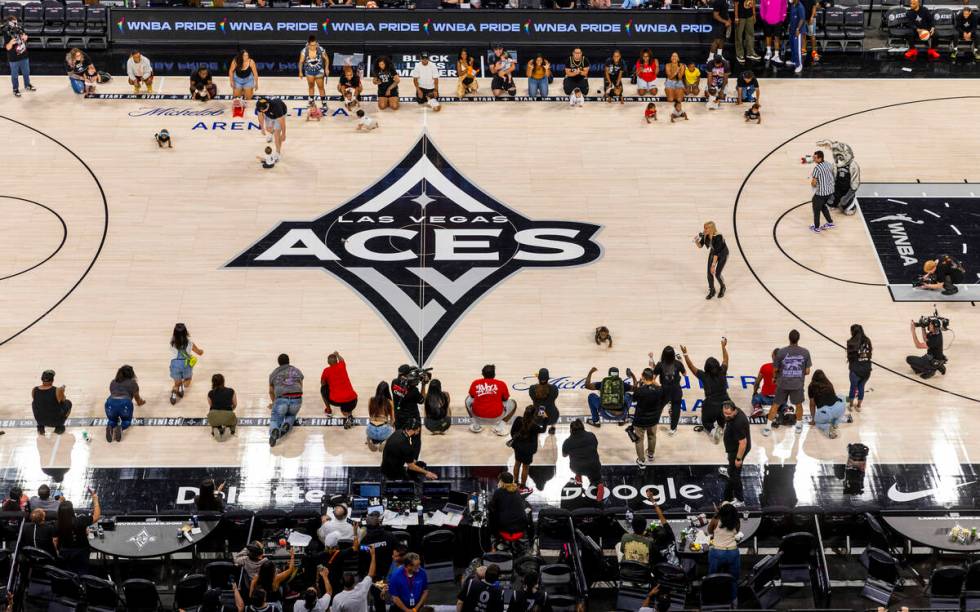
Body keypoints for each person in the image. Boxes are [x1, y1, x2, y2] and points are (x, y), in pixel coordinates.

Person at [680, 339, 731, 442]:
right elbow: (726, 359)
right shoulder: (722, 371)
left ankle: (712, 431)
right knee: (723, 416)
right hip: (726, 402)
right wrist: (723, 346)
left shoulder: (704, 376)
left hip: (711, 404)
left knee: (706, 421)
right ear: (717, 365)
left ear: (706, 367)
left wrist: (685, 354)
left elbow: (691, 367)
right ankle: (721, 426)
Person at [763, 330, 811, 436]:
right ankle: (798, 426)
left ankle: (767, 428)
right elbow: (807, 371)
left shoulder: (781, 352)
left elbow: (775, 369)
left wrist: (775, 378)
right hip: (797, 384)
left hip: (782, 384)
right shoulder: (805, 352)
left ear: (789, 338)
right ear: (798, 339)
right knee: (799, 405)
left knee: (775, 405)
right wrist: (797, 372)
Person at [466, 364, 517, 435]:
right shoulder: (501, 384)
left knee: (468, 399)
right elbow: (505, 399)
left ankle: (476, 426)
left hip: (478, 415)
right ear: (494, 374)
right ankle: (500, 428)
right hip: (496, 416)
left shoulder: (475, 383)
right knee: (513, 403)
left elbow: (472, 396)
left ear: (482, 374)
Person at [56, 492, 100, 572]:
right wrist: (95, 500)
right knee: (82, 571)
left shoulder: (57, 524)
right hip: (81, 552)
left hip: (65, 552)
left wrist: (62, 503)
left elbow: (55, 540)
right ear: (72, 510)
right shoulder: (80, 520)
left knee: (68, 571)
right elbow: (96, 516)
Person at [562, 419, 604, 499]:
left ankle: (578, 475)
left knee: (576, 460)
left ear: (571, 430)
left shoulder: (567, 442)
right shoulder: (591, 435)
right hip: (593, 466)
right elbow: (595, 446)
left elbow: (564, 455)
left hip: (576, 467)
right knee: (596, 478)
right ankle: (599, 485)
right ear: (583, 427)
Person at [707, 502, 741, 601]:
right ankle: (733, 602)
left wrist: (716, 515)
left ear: (721, 511)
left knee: (712, 579)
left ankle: (712, 600)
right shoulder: (736, 521)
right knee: (733, 580)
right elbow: (737, 531)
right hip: (733, 552)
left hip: (717, 553)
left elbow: (709, 531)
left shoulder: (716, 520)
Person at [268, 353, 303, 447]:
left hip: (281, 399)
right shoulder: (296, 370)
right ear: (289, 361)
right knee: (291, 414)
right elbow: (300, 385)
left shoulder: (273, 373)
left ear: (278, 363)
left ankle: (275, 430)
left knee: (275, 419)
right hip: (297, 398)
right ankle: (287, 424)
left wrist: (274, 402)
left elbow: (271, 391)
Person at [631, 368, 664, 466]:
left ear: (643, 377)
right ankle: (650, 455)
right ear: (653, 377)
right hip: (653, 419)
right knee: (652, 436)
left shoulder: (640, 391)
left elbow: (633, 399)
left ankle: (641, 460)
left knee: (639, 440)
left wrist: (639, 385)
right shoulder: (659, 390)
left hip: (640, 420)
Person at [105, 365, 145, 443]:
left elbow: (112, 393)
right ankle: (120, 428)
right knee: (126, 421)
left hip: (110, 402)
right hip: (125, 404)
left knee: (112, 419)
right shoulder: (133, 383)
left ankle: (110, 426)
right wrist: (141, 402)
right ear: (132, 374)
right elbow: (137, 399)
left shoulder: (113, 382)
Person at [720, 401, 751, 503]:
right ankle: (730, 470)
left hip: (738, 450)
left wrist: (739, 459)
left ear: (734, 411)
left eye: (728, 414)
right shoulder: (733, 414)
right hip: (733, 447)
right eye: (724, 413)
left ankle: (739, 499)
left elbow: (743, 443)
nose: (726, 416)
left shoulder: (738, 423)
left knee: (735, 475)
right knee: (731, 465)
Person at [487, 472, 530, 543]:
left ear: (501, 481)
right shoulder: (517, 491)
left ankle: (493, 538)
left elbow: (492, 508)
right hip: (520, 527)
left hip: (505, 529)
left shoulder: (498, 492)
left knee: (491, 515)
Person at [652, 346, 686, 436]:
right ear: (673, 355)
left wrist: (659, 386)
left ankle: (653, 424)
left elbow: (652, 379)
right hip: (676, 389)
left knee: (658, 408)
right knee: (676, 409)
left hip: (664, 390)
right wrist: (681, 362)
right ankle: (673, 428)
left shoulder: (660, 364)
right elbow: (685, 374)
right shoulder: (678, 363)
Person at [510, 406, 546, 492]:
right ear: (534, 415)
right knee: (525, 467)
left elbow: (512, 432)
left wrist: (518, 441)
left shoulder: (518, 420)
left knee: (517, 463)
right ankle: (522, 486)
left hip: (518, 447)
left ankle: (515, 482)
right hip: (528, 450)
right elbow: (543, 429)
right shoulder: (534, 426)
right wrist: (544, 416)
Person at [329, 546, 375, 612]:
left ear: (342, 582)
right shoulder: (362, 588)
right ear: (354, 582)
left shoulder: (337, 599)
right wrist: (373, 555)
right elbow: (371, 573)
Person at [320, 351, 358, 428]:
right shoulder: (342, 365)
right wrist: (337, 354)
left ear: (328, 362)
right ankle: (349, 415)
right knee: (346, 409)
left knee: (323, 389)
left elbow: (323, 383)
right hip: (353, 399)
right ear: (337, 361)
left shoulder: (326, 370)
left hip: (338, 401)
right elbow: (342, 360)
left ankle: (329, 411)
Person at [169, 323, 204, 405]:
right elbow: (199, 352)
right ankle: (182, 386)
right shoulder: (190, 342)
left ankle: (175, 391)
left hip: (175, 364)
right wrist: (201, 351)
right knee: (188, 379)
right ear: (186, 332)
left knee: (176, 383)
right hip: (185, 364)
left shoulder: (172, 342)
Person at [807, 370, 845, 438]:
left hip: (825, 412)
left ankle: (828, 427)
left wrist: (813, 419)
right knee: (841, 397)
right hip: (839, 408)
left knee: (818, 422)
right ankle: (835, 423)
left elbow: (812, 404)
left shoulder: (811, 386)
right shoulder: (829, 383)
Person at [32, 370, 71, 435]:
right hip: (55, 421)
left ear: (42, 379)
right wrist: (62, 391)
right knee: (68, 403)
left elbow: (39, 403)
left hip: (40, 420)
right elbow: (63, 400)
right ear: (52, 380)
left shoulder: (34, 390)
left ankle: (40, 427)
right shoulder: (57, 390)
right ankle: (59, 426)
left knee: (36, 403)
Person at [697, 221, 729, 300]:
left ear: (711, 229)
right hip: (713, 252)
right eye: (704, 228)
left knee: (717, 274)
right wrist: (696, 241)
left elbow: (717, 253)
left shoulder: (718, 236)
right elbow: (700, 246)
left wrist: (713, 266)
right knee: (709, 274)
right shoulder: (705, 235)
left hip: (722, 254)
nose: (704, 230)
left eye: (706, 228)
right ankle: (712, 290)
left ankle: (723, 287)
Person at [4, 15, 33, 97]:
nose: (15, 24)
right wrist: (11, 43)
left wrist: (25, 37)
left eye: (16, 22)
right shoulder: (6, 32)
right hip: (13, 58)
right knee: (15, 75)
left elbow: (25, 37)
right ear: (9, 23)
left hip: (24, 55)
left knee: (26, 72)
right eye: (13, 22)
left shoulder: (20, 28)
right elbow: (7, 47)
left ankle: (27, 85)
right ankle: (15, 89)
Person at [846, 324, 872, 412]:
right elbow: (869, 354)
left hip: (856, 370)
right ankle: (859, 406)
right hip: (867, 370)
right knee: (861, 387)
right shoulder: (868, 341)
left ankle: (850, 405)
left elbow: (850, 358)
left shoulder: (851, 342)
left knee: (853, 387)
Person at [391, 365, 427, 429]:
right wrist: (423, 385)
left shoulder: (394, 383)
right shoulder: (413, 390)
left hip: (399, 418)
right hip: (412, 420)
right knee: (416, 439)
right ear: (408, 375)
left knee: (400, 438)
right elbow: (422, 400)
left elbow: (404, 387)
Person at [809, 150, 835, 233]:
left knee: (816, 209)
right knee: (823, 206)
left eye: (815, 157)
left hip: (821, 193)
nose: (813, 159)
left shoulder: (817, 168)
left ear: (820, 158)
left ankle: (816, 228)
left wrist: (813, 185)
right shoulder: (828, 164)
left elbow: (813, 183)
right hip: (830, 191)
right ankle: (830, 223)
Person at [299, 35, 328, 108]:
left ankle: (324, 103)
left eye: (315, 44)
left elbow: (327, 59)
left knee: (321, 87)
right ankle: (311, 101)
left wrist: (327, 68)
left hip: (319, 71)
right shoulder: (304, 51)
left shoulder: (321, 49)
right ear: (308, 44)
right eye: (312, 45)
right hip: (309, 71)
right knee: (311, 86)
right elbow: (301, 62)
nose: (313, 46)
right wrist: (300, 72)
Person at [528, 368, 559, 435]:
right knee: (555, 411)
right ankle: (552, 428)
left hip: (538, 419)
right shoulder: (554, 388)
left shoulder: (532, 388)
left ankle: (537, 430)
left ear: (538, 378)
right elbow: (553, 398)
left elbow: (539, 404)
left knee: (534, 413)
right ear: (548, 378)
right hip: (552, 417)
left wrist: (541, 410)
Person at [207, 373, 238, 438]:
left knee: (214, 418)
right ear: (223, 381)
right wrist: (230, 410)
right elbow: (235, 404)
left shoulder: (210, 393)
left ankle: (215, 428)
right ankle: (231, 429)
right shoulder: (231, 391)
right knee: (234, 420)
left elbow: (211, 406)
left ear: (213, 382)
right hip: (228, 415)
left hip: (213, 415)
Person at [366, 381, 395, 450]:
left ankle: (370, 439)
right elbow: (393, 419)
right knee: (393, 431)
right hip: (383, 431)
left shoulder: (371, 400)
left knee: (371, 425)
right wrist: (390, 426)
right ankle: (385, 441)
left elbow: (370, 415)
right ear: (388, 391)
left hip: (370, 430)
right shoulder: (389, 402)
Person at [750, 349, 779, 418]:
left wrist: (755, 392)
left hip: (765, 397)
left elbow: (757, 382)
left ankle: (757, 407)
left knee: (755, 398)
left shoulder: (765, 367)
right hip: (778, 398)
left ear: (773, 356)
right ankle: (785, 409)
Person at [786, 0, 806, 73]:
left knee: (797, 48)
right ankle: (793, 61)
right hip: (792, 29)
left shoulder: (800, 6)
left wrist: (798, 29)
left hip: (798, 31)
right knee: (792, 46)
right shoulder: (792, 5)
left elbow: (802, 19)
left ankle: (799, 65)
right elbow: (792, 17)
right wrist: (789, 25)